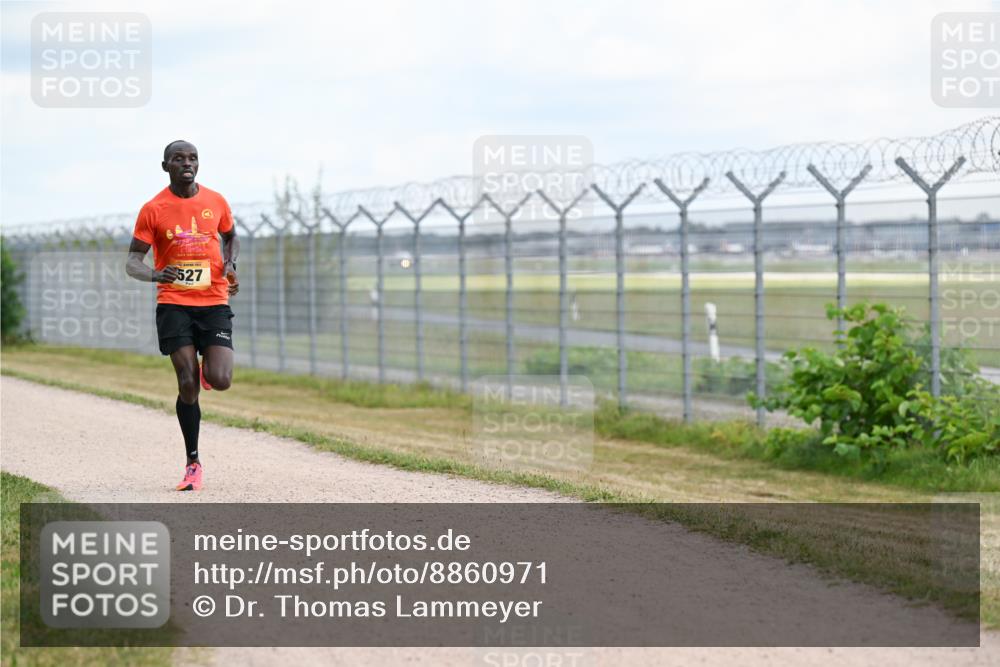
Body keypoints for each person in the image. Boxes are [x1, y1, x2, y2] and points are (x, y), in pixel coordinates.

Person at [125, 140, 240, 491]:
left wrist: (231, 265)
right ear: (166, 166)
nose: (186, 163)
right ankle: (193, 462)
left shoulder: (216, 201)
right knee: (187, 382)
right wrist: (157, 274)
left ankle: (209, 371)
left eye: (192, 158)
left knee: (220, 379)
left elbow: (231, 237)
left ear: (198, 165)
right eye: (178, 159)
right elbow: (132, 261)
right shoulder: (153, 208)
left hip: (214, 301)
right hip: (173, 302)